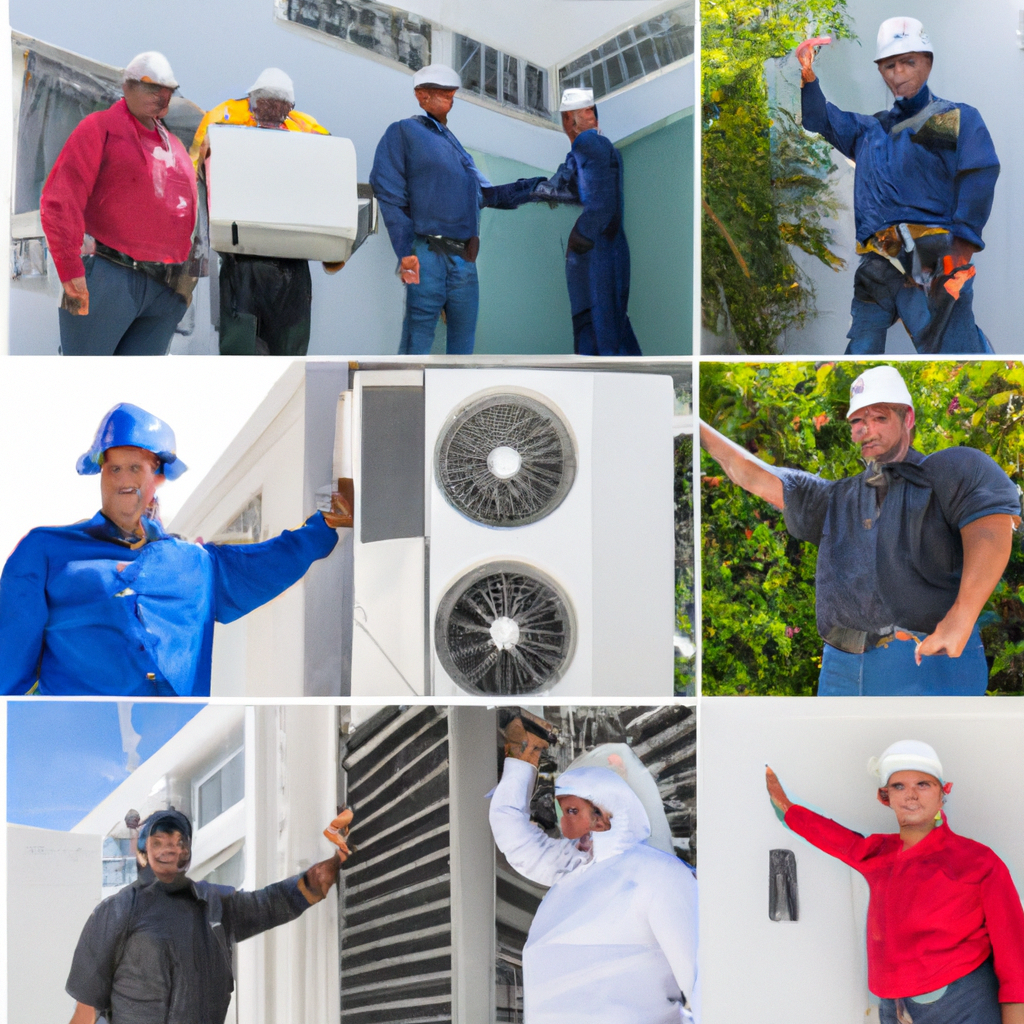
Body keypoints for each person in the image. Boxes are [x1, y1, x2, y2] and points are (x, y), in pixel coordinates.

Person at [700, 365, 1021, 695]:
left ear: (907, 418)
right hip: (844, 665)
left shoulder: (947, 470)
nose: (868, 430)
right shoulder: (836, 498)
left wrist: (962, 615)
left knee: (936, 746)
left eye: (880, 418)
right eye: (859, 421)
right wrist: (692, 423)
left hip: (931, 656)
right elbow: (751, 475)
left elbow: (991, 525)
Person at [0, 403, 348, 697]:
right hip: (79, 752)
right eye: (114, 468)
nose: (123, 480)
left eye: (135, 468)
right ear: (100, 473)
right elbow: (9, 672)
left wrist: (326, 525)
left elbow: (267, 563)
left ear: (158, 476)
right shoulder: (44, 551)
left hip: (168, 751)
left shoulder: (197, 565)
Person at [765, 742, 1024, 1024]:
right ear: (884, 797)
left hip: (963, 1003)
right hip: (895, 1009)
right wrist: (786, 809)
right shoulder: (878, 853)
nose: (910, 795)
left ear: (943, 793)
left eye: (923, 784)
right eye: (899, 786)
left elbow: (1015, 956)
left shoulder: (979, 861)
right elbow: (832, 837)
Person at [798, 18, 999, 355]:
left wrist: (960, 250)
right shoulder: (868, 130)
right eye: (890, 65)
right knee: (860, 351)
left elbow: (979, 173)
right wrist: (808, 76)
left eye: (909, 61)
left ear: (927, 63)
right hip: (876, 261)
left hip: (932, 257)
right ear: (881, 71)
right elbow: (819, 119)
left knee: (955, 352)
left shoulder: (955, 117)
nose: (899, 72)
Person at [489, 717, 699, 1023]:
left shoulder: (659, 878)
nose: (569, 826)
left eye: (576, 810)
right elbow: (516, 839)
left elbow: (702, 981)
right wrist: (522, 758)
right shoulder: (576, 866)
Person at [65, 807, 347, 1024]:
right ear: (142, 852)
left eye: (178, 841)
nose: (170, 848)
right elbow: (86, 1011)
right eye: (159, 840)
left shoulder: (215, 904)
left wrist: (333, 864)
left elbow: (275, 902)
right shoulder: (116, 911)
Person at [40, 52, 198, 356]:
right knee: (88, 385)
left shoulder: (174, 146)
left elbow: (187, 212)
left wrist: (184, 287)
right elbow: (61, 199)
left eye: (168, 90)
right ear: (127, 87)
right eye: (152, 87)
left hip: (164, 289)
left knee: (134, 388)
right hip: (107, 274)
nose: (162, 96)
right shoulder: (100, 128)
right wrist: (71, 273)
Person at [189, 68, 343, 356]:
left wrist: (334, 245)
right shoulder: (224, 117)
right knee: (241, 347)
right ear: (253, 101)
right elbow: (194, 169)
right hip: (241, 255)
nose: (274, 112)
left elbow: (331, 173)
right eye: (267, 104)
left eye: (281, 106)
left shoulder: (306, 127)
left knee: (288, 352)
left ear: (290, 107)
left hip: (292, 258)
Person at [482, 87, 642, 356]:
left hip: (597, 256)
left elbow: (601, 205)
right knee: (609, 329)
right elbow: (579, 190)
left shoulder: (587, 143)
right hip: (609, 253)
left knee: (598, 331)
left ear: (570, 119)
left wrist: (578, 237)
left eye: (567, 118)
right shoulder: (604, 148)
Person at [369, 64, 491, 354]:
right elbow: (387, 188)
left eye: (450, 92)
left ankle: (459, 397)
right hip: (425, 250)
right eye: (440, 92)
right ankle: (406, 394)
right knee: (418, 336)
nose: (449, 97)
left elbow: (480, 195)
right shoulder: (404, 131)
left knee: (463, 342)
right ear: (420, 95)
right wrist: (406, 253)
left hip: (462, 255)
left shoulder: (454, 147)